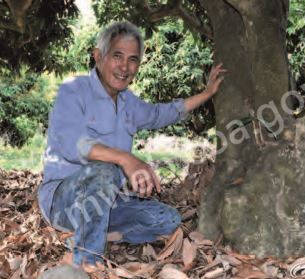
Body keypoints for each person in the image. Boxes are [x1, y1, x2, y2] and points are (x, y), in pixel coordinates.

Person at [37, 21, 225, 266]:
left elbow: (161, 114)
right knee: (106, 171)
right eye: (117, 56)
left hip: (107, 202)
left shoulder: (128, 101)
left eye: (133, 59)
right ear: (98, 56)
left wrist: (207, 93)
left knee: (167, 219)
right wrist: (126, 159)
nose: (125, 67)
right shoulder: (73, 91)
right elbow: (72, 143)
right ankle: (86, 264)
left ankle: (99, 233)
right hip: (64, 203)